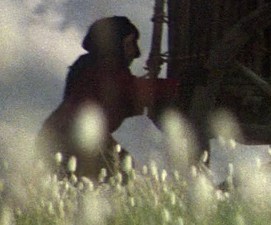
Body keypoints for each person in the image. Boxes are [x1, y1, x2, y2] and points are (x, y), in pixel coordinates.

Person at [37, 17, 178, 182]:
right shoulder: (99, 70)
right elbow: (130, 90)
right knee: (123, 176)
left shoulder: (89, 67)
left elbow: (124, 100)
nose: (136, 53)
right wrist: (178, 86)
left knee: (123, 173)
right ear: (115, 46)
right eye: (129, 44)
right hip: (72, 140)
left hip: (67, 138)